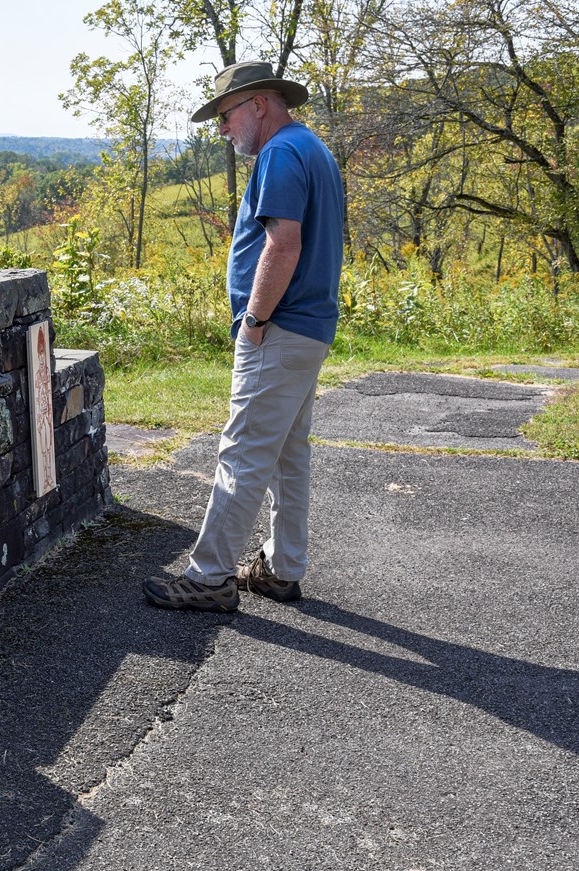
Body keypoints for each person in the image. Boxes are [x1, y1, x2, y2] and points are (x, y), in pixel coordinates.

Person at [143, 60, 345, 614]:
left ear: (258, 103)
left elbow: (283, 244)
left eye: (226, 116)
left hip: (278, 328)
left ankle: (209, 578)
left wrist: (255, 320)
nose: (223, 130)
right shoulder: (312, 148)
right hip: (309, 326)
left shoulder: (280, 154)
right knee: (286, 453)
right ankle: (281, 569)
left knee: (243, 451)